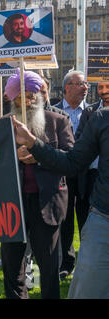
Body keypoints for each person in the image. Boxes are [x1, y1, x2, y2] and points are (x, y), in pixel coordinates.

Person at [11, 103, 109, 299]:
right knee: (87, 292)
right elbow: (71, 162)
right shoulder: (102, 119)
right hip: (103, 221)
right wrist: (32, 143)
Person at [1, 70, 74, 299]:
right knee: (13, 267)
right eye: (20, 97)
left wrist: (38, 154)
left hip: (48, 205)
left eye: (31, 95)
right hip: (13, 205)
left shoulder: (58, 121)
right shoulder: (2, 126)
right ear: (12, 100)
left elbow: (70, 160)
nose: (28, 101)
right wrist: (15, 154)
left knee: (49, 266)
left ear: (40, 95)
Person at [53, 70, 89, 280]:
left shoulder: (93, 112)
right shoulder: (54, 111)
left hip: (87, 176)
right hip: (63, 175)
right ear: (67, 87)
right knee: (64, 220)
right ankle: (66, 263)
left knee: (86, 219)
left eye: (85, 84)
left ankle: (87, 262)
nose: (85, 88)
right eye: (80, 84)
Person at [74, 81, 109, 235]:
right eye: (100, 87)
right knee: (85, 214)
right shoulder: (90, 112)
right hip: (90, 175)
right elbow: (80, 140)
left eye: (107, 86)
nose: (104, 91)